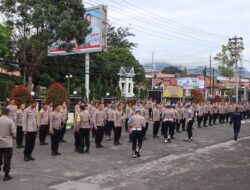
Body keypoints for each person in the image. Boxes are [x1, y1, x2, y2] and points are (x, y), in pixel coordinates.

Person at [0, 107, 16, 181]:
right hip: (7, 144)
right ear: (8, 113)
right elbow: (13, 133)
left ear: (2, 112)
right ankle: (6, 175)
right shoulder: (10, 121)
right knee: (7, 159)